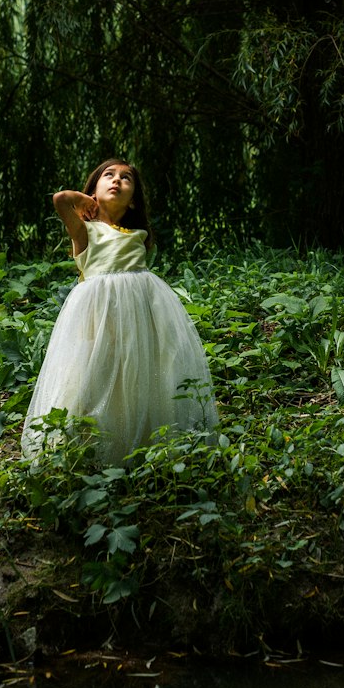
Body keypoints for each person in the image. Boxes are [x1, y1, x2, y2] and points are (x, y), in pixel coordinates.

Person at [21, 158, 218, 465]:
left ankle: (142, 442)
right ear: (94, 190)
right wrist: (81, 200)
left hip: (141, 316)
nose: (117, 181)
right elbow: (60, 201)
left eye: (126, 179)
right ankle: (88, 445)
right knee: (97, 374)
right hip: (100, 317)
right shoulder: (85, 231)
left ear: (133, 199)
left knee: (140, 374)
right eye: (108, 176)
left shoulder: (136, 234)